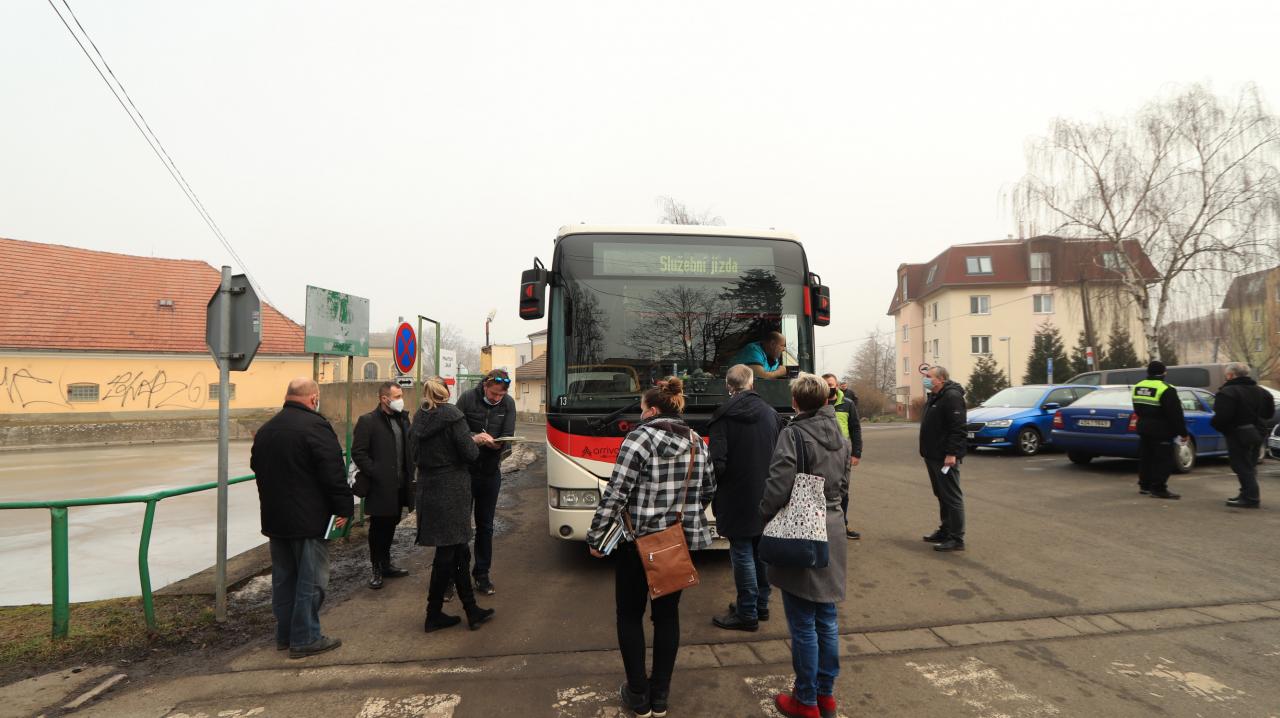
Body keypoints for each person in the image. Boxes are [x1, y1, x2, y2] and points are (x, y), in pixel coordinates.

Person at [586, 378, 715, 718]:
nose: (640, 414)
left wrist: (597, 537)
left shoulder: (638, 439)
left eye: (642, 408)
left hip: (635, 542)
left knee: (629, 615)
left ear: (652, 410)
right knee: (667, 617)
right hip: (675, 543)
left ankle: (637, 695)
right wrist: (683, 516)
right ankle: (660, 697)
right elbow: (708, 489)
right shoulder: (696, 441)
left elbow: (616, 493)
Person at [761, 373, 852, 718]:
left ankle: (806, 700)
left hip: (802, 529)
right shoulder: (840, 436)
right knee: (826, 617)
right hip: (833, 527)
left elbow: (778, 483)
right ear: (827, 400)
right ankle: (826, 696)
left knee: (802, 622)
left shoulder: (794, 433)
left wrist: (764, 512)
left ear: (795, 402)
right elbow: (844, 485)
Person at [250, 378, 352, 659]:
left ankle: (285, 635)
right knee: (311, 581)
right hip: (309, 519)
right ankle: (306, 637)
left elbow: (257, 466)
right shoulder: (316, 427)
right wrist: (345, 509)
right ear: (313, 398)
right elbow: (333, 473)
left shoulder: (267, 429)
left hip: (275, 519)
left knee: (284, 580)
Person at [410, 376, 496, 632]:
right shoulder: (453, 416)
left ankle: (470, 610)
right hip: (452, 489)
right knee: (448, 553)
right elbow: (469, 453)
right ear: (446, 393)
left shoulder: (419, 417)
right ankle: (433, 614)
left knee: (457, 550)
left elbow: (413, 454)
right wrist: (475, 440)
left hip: (428, 488)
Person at [709, 364, 782, 632]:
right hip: (767, 493)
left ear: (729, 386)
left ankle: (747, 612)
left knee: (741, 552)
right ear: (752, 384)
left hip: (734, 495)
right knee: (761, 551)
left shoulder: (722, 416)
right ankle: (761, 605)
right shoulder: (771, 414)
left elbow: (717, 464)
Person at [456, 369, 517, 595]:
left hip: (490, 472)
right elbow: (455, 432)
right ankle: (454, 576)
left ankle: (482, 574)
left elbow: (508, 433)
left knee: (486, 526)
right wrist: (475, 438)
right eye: (493, 394)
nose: (496, 398)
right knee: (459, 526)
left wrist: (500, 444)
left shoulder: (508, 403)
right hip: (465, 472)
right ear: (485, 386)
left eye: (501, 395)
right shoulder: (467, 399)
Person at [351, 382, 414, 590]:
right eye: (397, 396)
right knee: (378, 528)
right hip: (379, 486)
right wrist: (376, 472)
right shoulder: (368, 421)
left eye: (401, 395)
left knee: (392, 523)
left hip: (400, 485)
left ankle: (386, 564)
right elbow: (358, 452)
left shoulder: (403, 419)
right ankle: (376, 568)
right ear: (384, 399)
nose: (400, 400)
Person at [1210, 362, 1274, 508]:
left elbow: (1222, 417)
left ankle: (1251, 497)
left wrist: (1220, 427)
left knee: (1241, 465)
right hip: (1258, 432)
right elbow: (1269, 413)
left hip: (1237, 433)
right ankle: (1245, 493)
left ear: (1230, 375)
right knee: (1250, 465)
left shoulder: (1228, 392)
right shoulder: (1262, 392)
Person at [919, 366, 967, 552]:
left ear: (941, 379)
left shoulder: (951, 397)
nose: (925, 379)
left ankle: (956, 538)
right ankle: (945, 530)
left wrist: (951, 453)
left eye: (929, 376)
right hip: (932, 454)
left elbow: (958, 428)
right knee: (941, 494)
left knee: (952, 497)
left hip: (944, 456)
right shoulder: (935, 396)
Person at [1132, 361, 1189, 500]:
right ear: (1164, 372)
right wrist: (1183, 432)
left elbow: (1137, 408)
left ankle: (1145, 486)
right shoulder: (1166, 389)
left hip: (1143, 427)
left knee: (1146, 458)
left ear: (1148, 372)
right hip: (1161, 430)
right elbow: (1175, 414)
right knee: (1163, 460)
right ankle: (1158, 488)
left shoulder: (1138, 386)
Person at [823, 373, 863, 540]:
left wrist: (856, 453)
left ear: (837, 385)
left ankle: (842, 525)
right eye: (825, 385)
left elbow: (855, 428)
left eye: (831, 384)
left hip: (843, 453)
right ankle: (823, 527)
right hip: (823, 453)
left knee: (843, 490)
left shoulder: (848, 404)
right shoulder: (817, 403)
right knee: (823, 489)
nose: (829, 388)